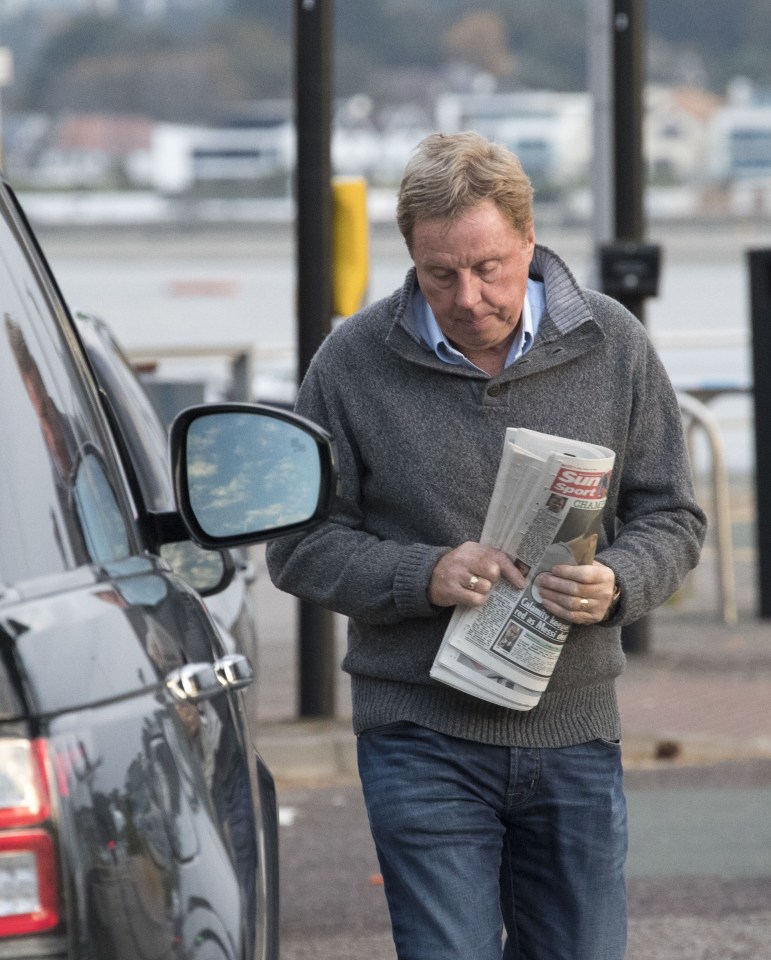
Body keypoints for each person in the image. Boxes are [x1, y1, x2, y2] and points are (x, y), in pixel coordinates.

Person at [266, 131, 707, 960]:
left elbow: (672, 517)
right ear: (410, 258)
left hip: (573, 726)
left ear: (529, 241)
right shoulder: (350, 362)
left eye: (489, 267)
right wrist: (423, 573)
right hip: (417, 731)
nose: (467, 297)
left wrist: (614, 580)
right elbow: (298, 545)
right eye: (440, 274)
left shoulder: (614, 345)